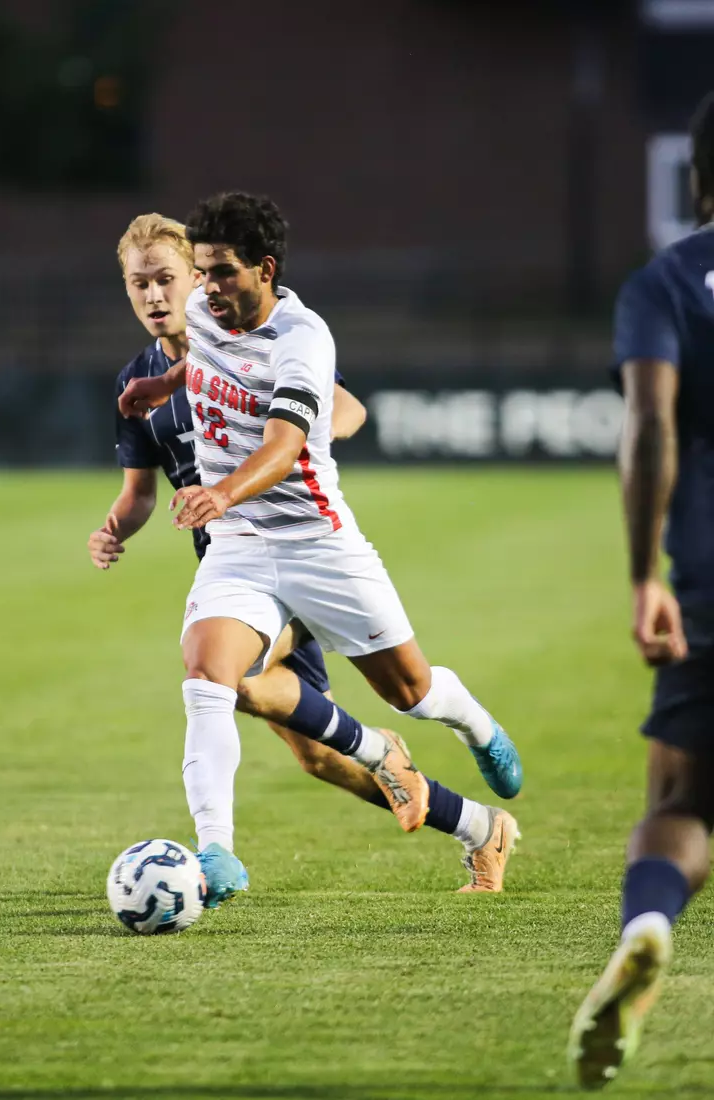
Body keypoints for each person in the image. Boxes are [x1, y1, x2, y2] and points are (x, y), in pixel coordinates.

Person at [116, 196, 522, 907]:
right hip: (240, 549)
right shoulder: (210, 312)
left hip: (317, 545)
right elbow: (206, 358)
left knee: (411, 692)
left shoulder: (304, 338)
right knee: (210, 678)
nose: (204, 290)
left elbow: (285, 444)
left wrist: (222, 493)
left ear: (264, 270)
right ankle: (217, 852)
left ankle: (472, 725)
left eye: (221, 273)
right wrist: (162, 382)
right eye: (201, 273)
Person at [569, 91, 714, 1088]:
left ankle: (650, 920)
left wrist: (639, 574)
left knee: (679, 793)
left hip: (708, 581)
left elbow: (650, 425)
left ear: (698, 177)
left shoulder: (665, 282)